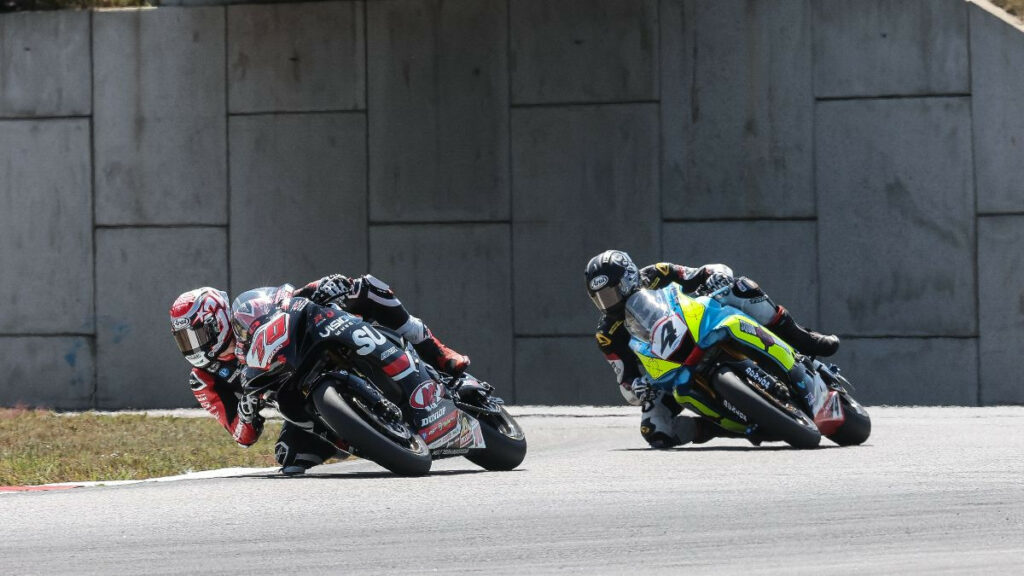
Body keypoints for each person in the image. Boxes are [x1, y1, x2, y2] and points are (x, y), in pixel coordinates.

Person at [169, 274, 469, 474]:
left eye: (198, 334)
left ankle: (437, 351)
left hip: (312, 347)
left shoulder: (246, 311)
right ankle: (371, 436)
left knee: (362, 287)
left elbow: (287, 297)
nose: (194, 346)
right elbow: (240, 435)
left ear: (218, 318)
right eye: (185, 339)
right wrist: (247, 414)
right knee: (289, 458)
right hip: (294, 396)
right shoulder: (204, 379)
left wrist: (322, 286)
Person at [584, 249, 839, 449]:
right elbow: (625, 381)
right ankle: (716, 428)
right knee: (655, 430)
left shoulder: (658, 273)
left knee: (741, 287)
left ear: (628, 278)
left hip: (700, 324)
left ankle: (802, 339)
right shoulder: (607, 335)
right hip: (668, 369)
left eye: (610, 293)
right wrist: (636, 388)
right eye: (599, 299)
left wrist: (717, 276)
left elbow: (703, 272)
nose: (607, 303)